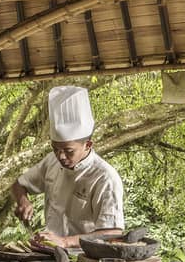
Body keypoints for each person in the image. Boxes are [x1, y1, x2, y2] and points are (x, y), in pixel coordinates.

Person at [12, 86, 125, 250]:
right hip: (48, 252)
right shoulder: (52, 161)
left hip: (85, 258)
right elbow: (19, 184)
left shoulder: (105, 177)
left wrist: (65, 241)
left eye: (68, 151)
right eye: (55, 149)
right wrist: (23, 201)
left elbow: (113, 232)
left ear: (87, 145)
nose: (61, 156)